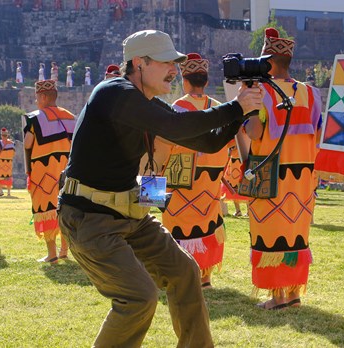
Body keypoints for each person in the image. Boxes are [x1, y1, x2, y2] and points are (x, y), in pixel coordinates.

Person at [57, 29, 262, 347]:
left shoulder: (145, 103)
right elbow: (178, 127)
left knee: (185, 272)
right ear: (139, 63)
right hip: (89, 218)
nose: (174, 69)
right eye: (167, 62)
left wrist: (241, 113)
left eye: (176, 63)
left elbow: (206, 142)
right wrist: (236, 108)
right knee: (138, 296)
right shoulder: (114, 93)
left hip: (130, 214)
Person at [243, 28, 322, 310]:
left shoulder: (260, 91)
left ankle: (278, 296)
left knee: (272, 231)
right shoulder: (310, 94)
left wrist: (246, 107)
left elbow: (254, 133)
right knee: (296, 231)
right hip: (302, 177)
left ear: (267, 59)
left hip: (270, 172)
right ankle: (294, 293)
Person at [160, 53, 229, 290]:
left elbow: (161, 148)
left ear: (184, 80)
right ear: (206, 81)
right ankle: (206, 277)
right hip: (211, 180)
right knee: (207, 223)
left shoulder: (175, 110)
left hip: (180, 179)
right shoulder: (220, 109)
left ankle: (184, 276)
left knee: (179, 226)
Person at [23, 80, 75, 263]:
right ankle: (64, 250)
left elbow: (28, 143)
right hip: (67, 173)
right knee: (64, 209)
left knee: (46, 209)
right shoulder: (70, 117)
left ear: (43, 96)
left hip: (44, 173)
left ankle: (51, 253)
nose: (36, 101)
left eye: (37, 97)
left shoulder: (35, 118)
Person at [220, 139, 248, 217]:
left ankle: (240, 210)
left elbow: (228, 151)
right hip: (236, 163)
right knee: (235, 187)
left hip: (237, 163)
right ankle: (239, 211)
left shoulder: (236, 137)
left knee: (239, 187)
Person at [0, 128, 15, 197]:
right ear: (7, 135)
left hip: (1, 162)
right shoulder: (12, 143)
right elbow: (13, 153)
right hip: (9, 163)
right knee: (8, 177)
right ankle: (8, 193)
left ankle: (1, 191)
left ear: (1, 135)